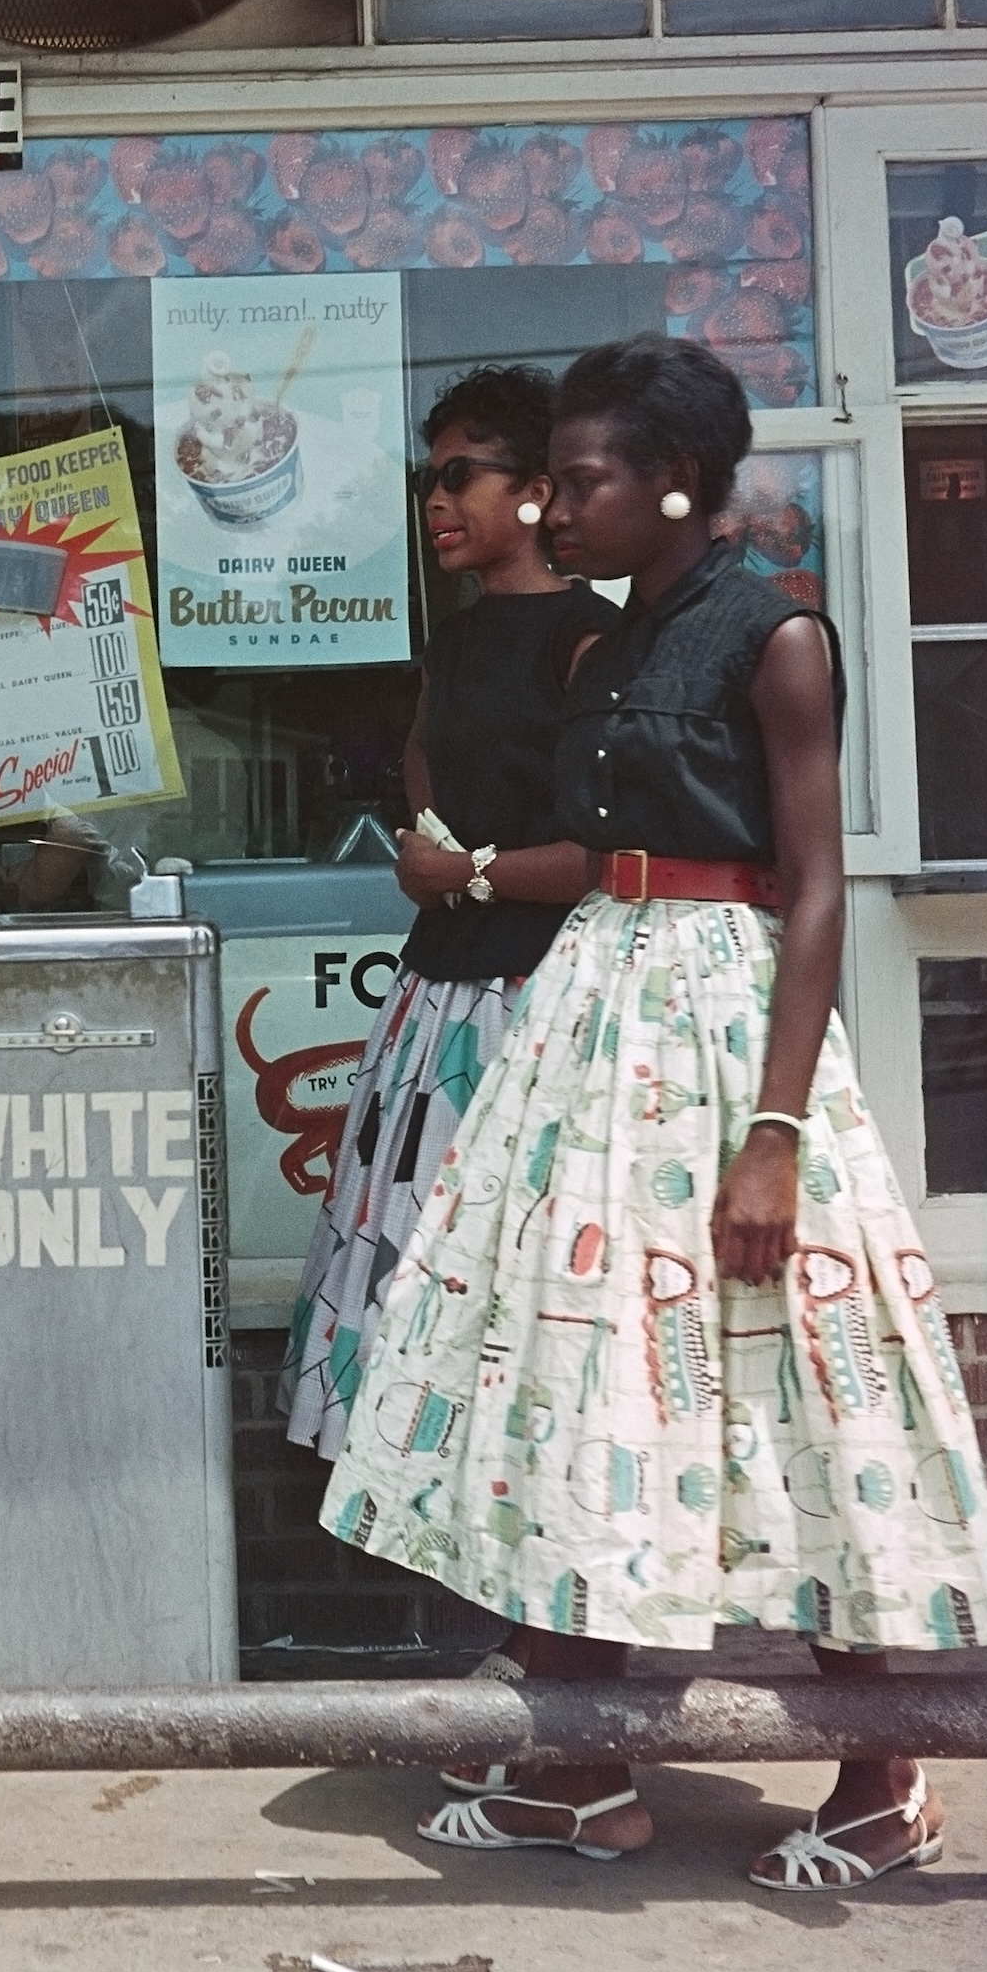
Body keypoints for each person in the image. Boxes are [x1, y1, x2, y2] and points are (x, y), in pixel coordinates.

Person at [320, 335, 987, 1889]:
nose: (559, 508)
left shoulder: (774, 637)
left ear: (678, 486)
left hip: (721, 1030)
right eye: (554, 481)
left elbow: (816, 886)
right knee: (575, 1372)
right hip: (593, 1013)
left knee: (800, 1376)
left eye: (586, 481)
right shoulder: (609, 645)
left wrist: (774, 1133)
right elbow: (584, 845)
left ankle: (879, 1776)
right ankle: (583, 1765)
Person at [282, 367, 599, 1464]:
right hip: (437, 1001)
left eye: (461, 474)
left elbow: (612, 848)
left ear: (536, 490)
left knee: (526, 1277)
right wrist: (433, 844)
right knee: (423, 1266)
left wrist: (464, 867)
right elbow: (426, 761)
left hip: (544, 999)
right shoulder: (455, 640)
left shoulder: (590, 640)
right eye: (431, 478)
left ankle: (539, 1584)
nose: (436, 500)